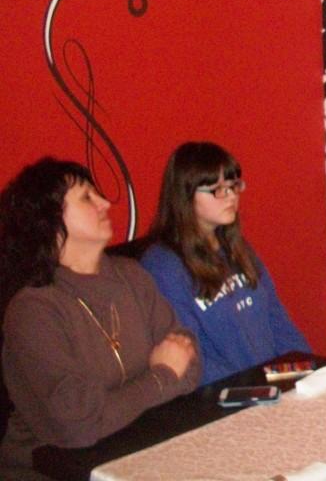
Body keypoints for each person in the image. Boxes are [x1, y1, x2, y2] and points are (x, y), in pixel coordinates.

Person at [0, 158, 200, 468]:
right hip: (56, 467)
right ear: (49, 221)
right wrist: (160, 378)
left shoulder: (131, 275)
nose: (105, 203)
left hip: (139, 446)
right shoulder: (33, 311)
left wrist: (124, 401)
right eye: (86, 197)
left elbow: (189, 364)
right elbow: (78, 424)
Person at [141, 142, 310, 386]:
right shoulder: (163, 266)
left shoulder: (237, 248)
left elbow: (279, 322)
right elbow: (194, 357)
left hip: (271, 385)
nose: (231, 196)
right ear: (185, 195)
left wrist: (307, 369)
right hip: (228, 393)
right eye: (218, 189)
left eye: (233, 186)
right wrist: (256, 387)